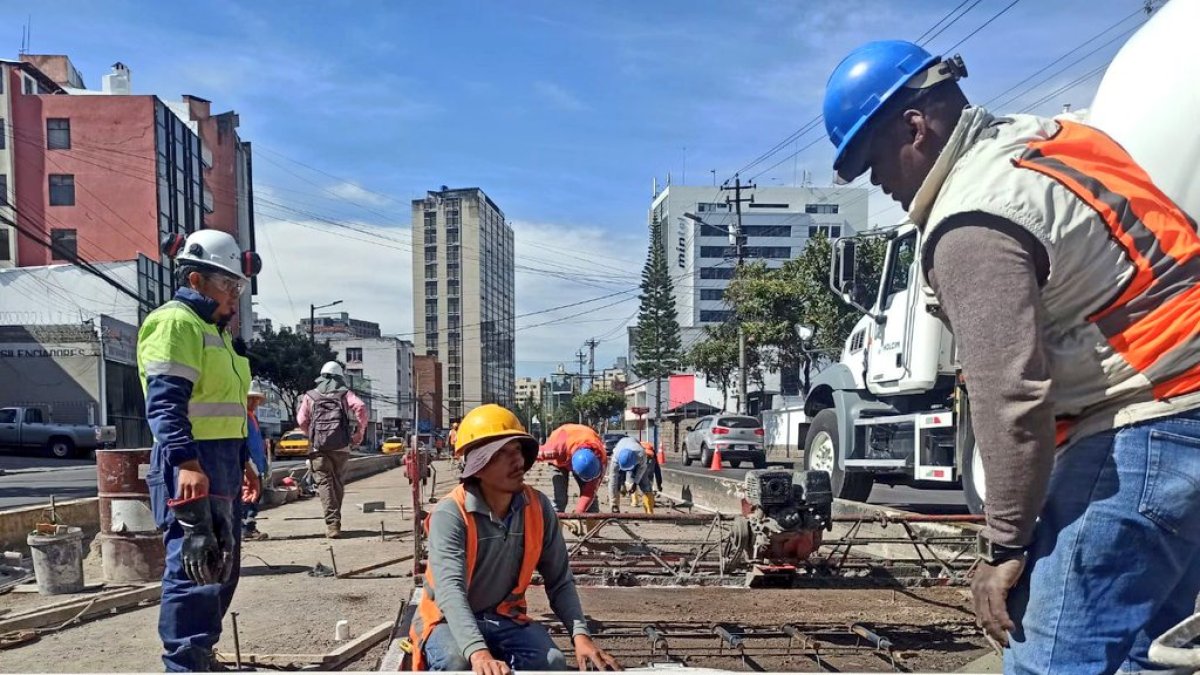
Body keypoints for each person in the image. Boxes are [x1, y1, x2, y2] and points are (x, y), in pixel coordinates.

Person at [822, 40, 1200, 673]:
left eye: (873, 159)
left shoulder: (971, 218)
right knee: (1143, 658)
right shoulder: (1054, 141)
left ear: (915, 126)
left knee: (1052, 660)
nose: (878, 183)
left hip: (1144, 423)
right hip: (1182, 416)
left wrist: (1004, 545)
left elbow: (1010, 397)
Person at [410, 404, 620, 674]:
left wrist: (581, 636)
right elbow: (451, 592)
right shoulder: (451, 513)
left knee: (551, 662)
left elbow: (559, 580)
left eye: (518, 450)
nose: (518, 461)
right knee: (456, 661)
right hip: (445, 619)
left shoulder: (537, 507)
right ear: (478, 465)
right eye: (502, 454)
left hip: (503, 616)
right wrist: (478, 652)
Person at [138, 229, 262, 671]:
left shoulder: (217, 333)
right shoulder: (177, 323)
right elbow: (166, 401)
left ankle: (201, 653)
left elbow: (227, 409)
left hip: (222, 461)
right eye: (228, 285)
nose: (235, 295)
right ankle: (185, 662)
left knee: (222, 564)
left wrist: (244, 461)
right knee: (195, 564)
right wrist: (186, 463)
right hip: (190, 464)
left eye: (238, 287)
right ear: (195, 280)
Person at [296, 361, 368, 539]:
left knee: (324, 483)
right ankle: (335, 520)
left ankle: (332, 523)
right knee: (337, 483)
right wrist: (359, 433)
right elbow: (361, 407)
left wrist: (312, 434)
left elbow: (301, 420)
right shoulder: (344, 394)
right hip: (341, 447)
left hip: (318, 448)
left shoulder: (310, 396)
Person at [537, 424, 606, 513]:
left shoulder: (601, 460)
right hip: (561, 453)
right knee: (560, 500)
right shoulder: (556, 449)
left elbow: (589, 493)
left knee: (592, 505)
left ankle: (593, 525)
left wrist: (578, 514)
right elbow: (532, 453)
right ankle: (554, 524)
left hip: (580, 441)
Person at [243, 380, 270, 541]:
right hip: (248, 465)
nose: (254, 402)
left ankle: (249, 526)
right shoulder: (242, 418)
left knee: (255, 496)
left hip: (257, 464)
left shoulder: (252, 417)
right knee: (248, 497)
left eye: (256, 399)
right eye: (250, 399)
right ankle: (246, 528)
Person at [609, 438, 654, 515]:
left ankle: (649, 511)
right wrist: (614, 503)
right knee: (615, 482)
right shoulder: (615, 458)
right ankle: (615, 506)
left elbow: (642, 469)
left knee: (645, 483)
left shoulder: (641, 454)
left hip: (635, 450)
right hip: (621, 448)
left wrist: (636, 483)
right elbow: (613, 481)